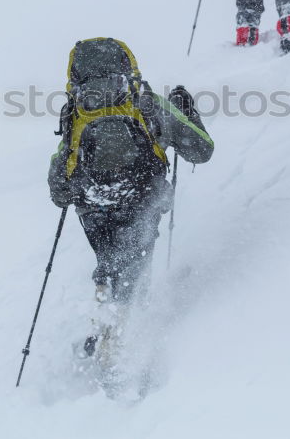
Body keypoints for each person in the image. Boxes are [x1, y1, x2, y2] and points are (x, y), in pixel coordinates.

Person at [47, 38, 213, 320]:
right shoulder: (148, 103)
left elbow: (59, 188)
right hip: (143, 194)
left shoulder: (77, 111)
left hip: (92, 202)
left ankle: (106, 313)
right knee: (136, 262)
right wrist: (186, 111)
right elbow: (201, 150)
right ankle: (127, 337)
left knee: (110, 260)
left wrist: (74, 190)